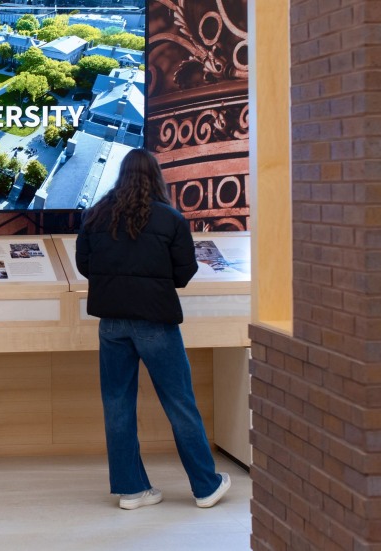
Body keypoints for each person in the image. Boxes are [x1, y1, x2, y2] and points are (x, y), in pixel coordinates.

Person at [75, 149, 230, 510]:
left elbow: (86, 265)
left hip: (111, 322)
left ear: (120, 175)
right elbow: (184, 273)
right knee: (179, 403)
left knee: (117, 405)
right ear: (156, 177)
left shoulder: (96, 215)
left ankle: (132, 491)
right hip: (156, 323)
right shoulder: (170, 219)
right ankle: (206, 487)